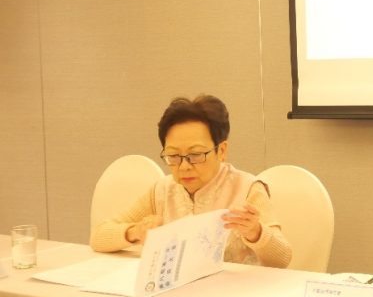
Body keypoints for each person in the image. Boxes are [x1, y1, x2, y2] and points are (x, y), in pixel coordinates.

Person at [90, 95, 292, 268]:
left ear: (221, 151)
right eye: (173, 156)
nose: (184, 166)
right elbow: (98, 237)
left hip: (233, 295)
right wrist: (135, 232)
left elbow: (283, 259)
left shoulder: (247, 188)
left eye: (195, 155)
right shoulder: (163, 190)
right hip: (178, 295)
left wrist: (256, 233)